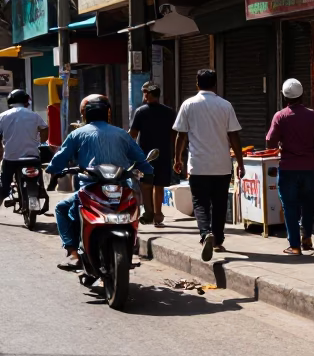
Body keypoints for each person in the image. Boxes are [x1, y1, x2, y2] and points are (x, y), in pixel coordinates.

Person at [48, 95, 154, 271]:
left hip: (91, 187)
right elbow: (140, 158)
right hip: (120, 187)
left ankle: (74, 254)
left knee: (61, 208)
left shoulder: (77, 134)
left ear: (85, 115)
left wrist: (53, 170)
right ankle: (130, 249)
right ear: (107, 114)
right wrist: (148, 171)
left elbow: (60, 158)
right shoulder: (122, 134)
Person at [173, 69, 245, 263]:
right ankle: (218, 240)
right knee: (220, 203)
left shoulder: (188, 104)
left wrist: (177, 158)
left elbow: (181, 135)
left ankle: (205, 233)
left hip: (198, 165)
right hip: (222, 165)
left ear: (197, 84)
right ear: (215, 84)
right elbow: (234, 135)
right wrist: (240, 162)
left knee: (200, 202)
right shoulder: (225, 105)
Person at [265, 78, 314, 255]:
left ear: (284, 97)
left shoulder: (280, 116)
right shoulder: (313, 115)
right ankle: (306, 238)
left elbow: (270, 142)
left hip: (288, 168)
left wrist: (281, 142)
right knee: (308, 204)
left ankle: (295, 246)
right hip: (309, 167)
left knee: (290, 206)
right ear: (302, 95)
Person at [128, 81, 176, 227]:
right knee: (159, 185)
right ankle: (158, 214)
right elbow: (174, 134)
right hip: (163, 153)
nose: (144, 95)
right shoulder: (169, 112)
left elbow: (133, 134)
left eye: (144, 92)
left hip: (145, 156)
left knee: (146, 184)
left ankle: (149, 212)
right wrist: (174, 153)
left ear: (148, 94)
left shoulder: (141, 112)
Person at [0, 89, 49, 207]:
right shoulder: (34, 115)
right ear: (26, 101)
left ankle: (4, 195)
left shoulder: (2, 116)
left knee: (4, 186)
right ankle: (41, 189)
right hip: (32, 157)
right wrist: (40, 141)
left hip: (11, 158)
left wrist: (1, 152)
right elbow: (44, 129)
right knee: (38, 174)